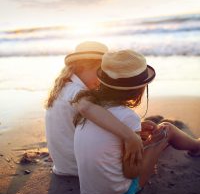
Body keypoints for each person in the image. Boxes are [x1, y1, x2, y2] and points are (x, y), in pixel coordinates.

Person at [73, 50, 200, 194]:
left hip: (89, 190)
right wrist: (147, 143)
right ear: (140, 89)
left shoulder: (92, 110)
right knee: (167, 129)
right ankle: (196, 146)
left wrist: (138, 137)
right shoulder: (128, 117)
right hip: (119, 191)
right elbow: (131, 173)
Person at [45, 42, 155, 176]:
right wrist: (130, 135)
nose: (102, 80)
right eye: (100, 72)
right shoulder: (77, 92)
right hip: (79, 168)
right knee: (148, 147)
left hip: (63, 165)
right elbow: (85, 107)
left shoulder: (64, 87)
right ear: (82, 67)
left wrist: (133, 128)